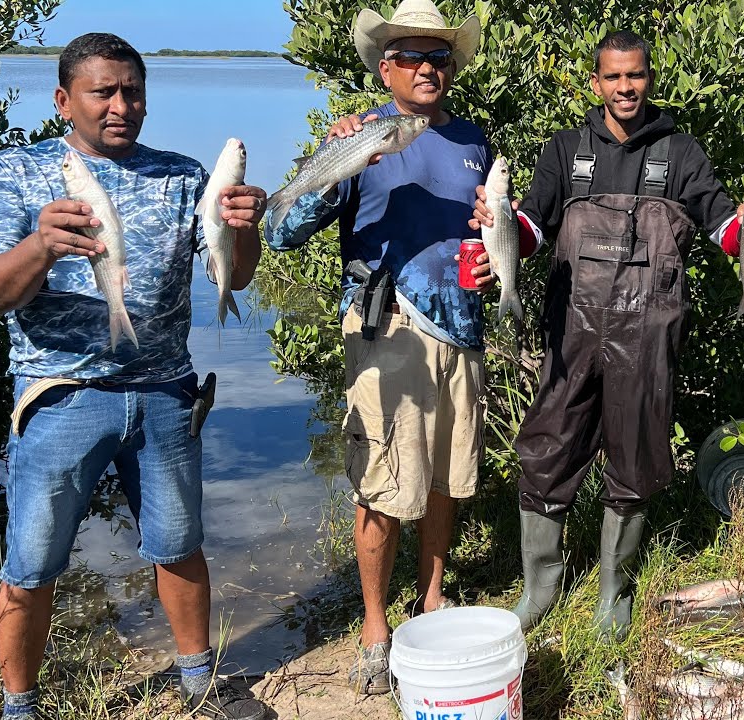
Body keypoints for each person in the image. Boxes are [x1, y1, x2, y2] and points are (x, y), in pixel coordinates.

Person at [0, 33, 271, 720]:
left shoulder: (182, 175)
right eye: (102, 91)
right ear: (62, 99)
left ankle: (199, 684)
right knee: (31, 564)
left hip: (165, 391)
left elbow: (234, 275)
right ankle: (20, 707)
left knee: (180, 545)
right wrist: (41, 245)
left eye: (132, 91)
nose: (121, 106)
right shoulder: (15, 172)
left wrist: (243, 228)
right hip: (58, 397)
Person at [472, 30, 744, 640]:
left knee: (636, 456)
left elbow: (723, 227)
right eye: (614, 76)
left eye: (635, 75)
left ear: (648, 79)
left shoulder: (681, 152)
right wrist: (500, 220)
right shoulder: (565, 150)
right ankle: (540, 588)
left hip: (648, 337)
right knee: (547, 448)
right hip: (571, 334)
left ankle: (613, 593)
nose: (625, 87)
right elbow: (531, 227)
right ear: (596, 82)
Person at [266, 0, 506, 696]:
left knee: (445, 478)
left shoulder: (474, 141)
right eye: (411, 57)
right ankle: (375, 629)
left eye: (439, 57)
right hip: (389, 329)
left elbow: (483, 233)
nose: (427, 68)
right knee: (381, 483)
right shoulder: (358, 134)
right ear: (385, 68)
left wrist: (492, 263)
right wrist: (338, 166)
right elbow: (282, 234)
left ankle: (430, 599)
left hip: (462, 331)